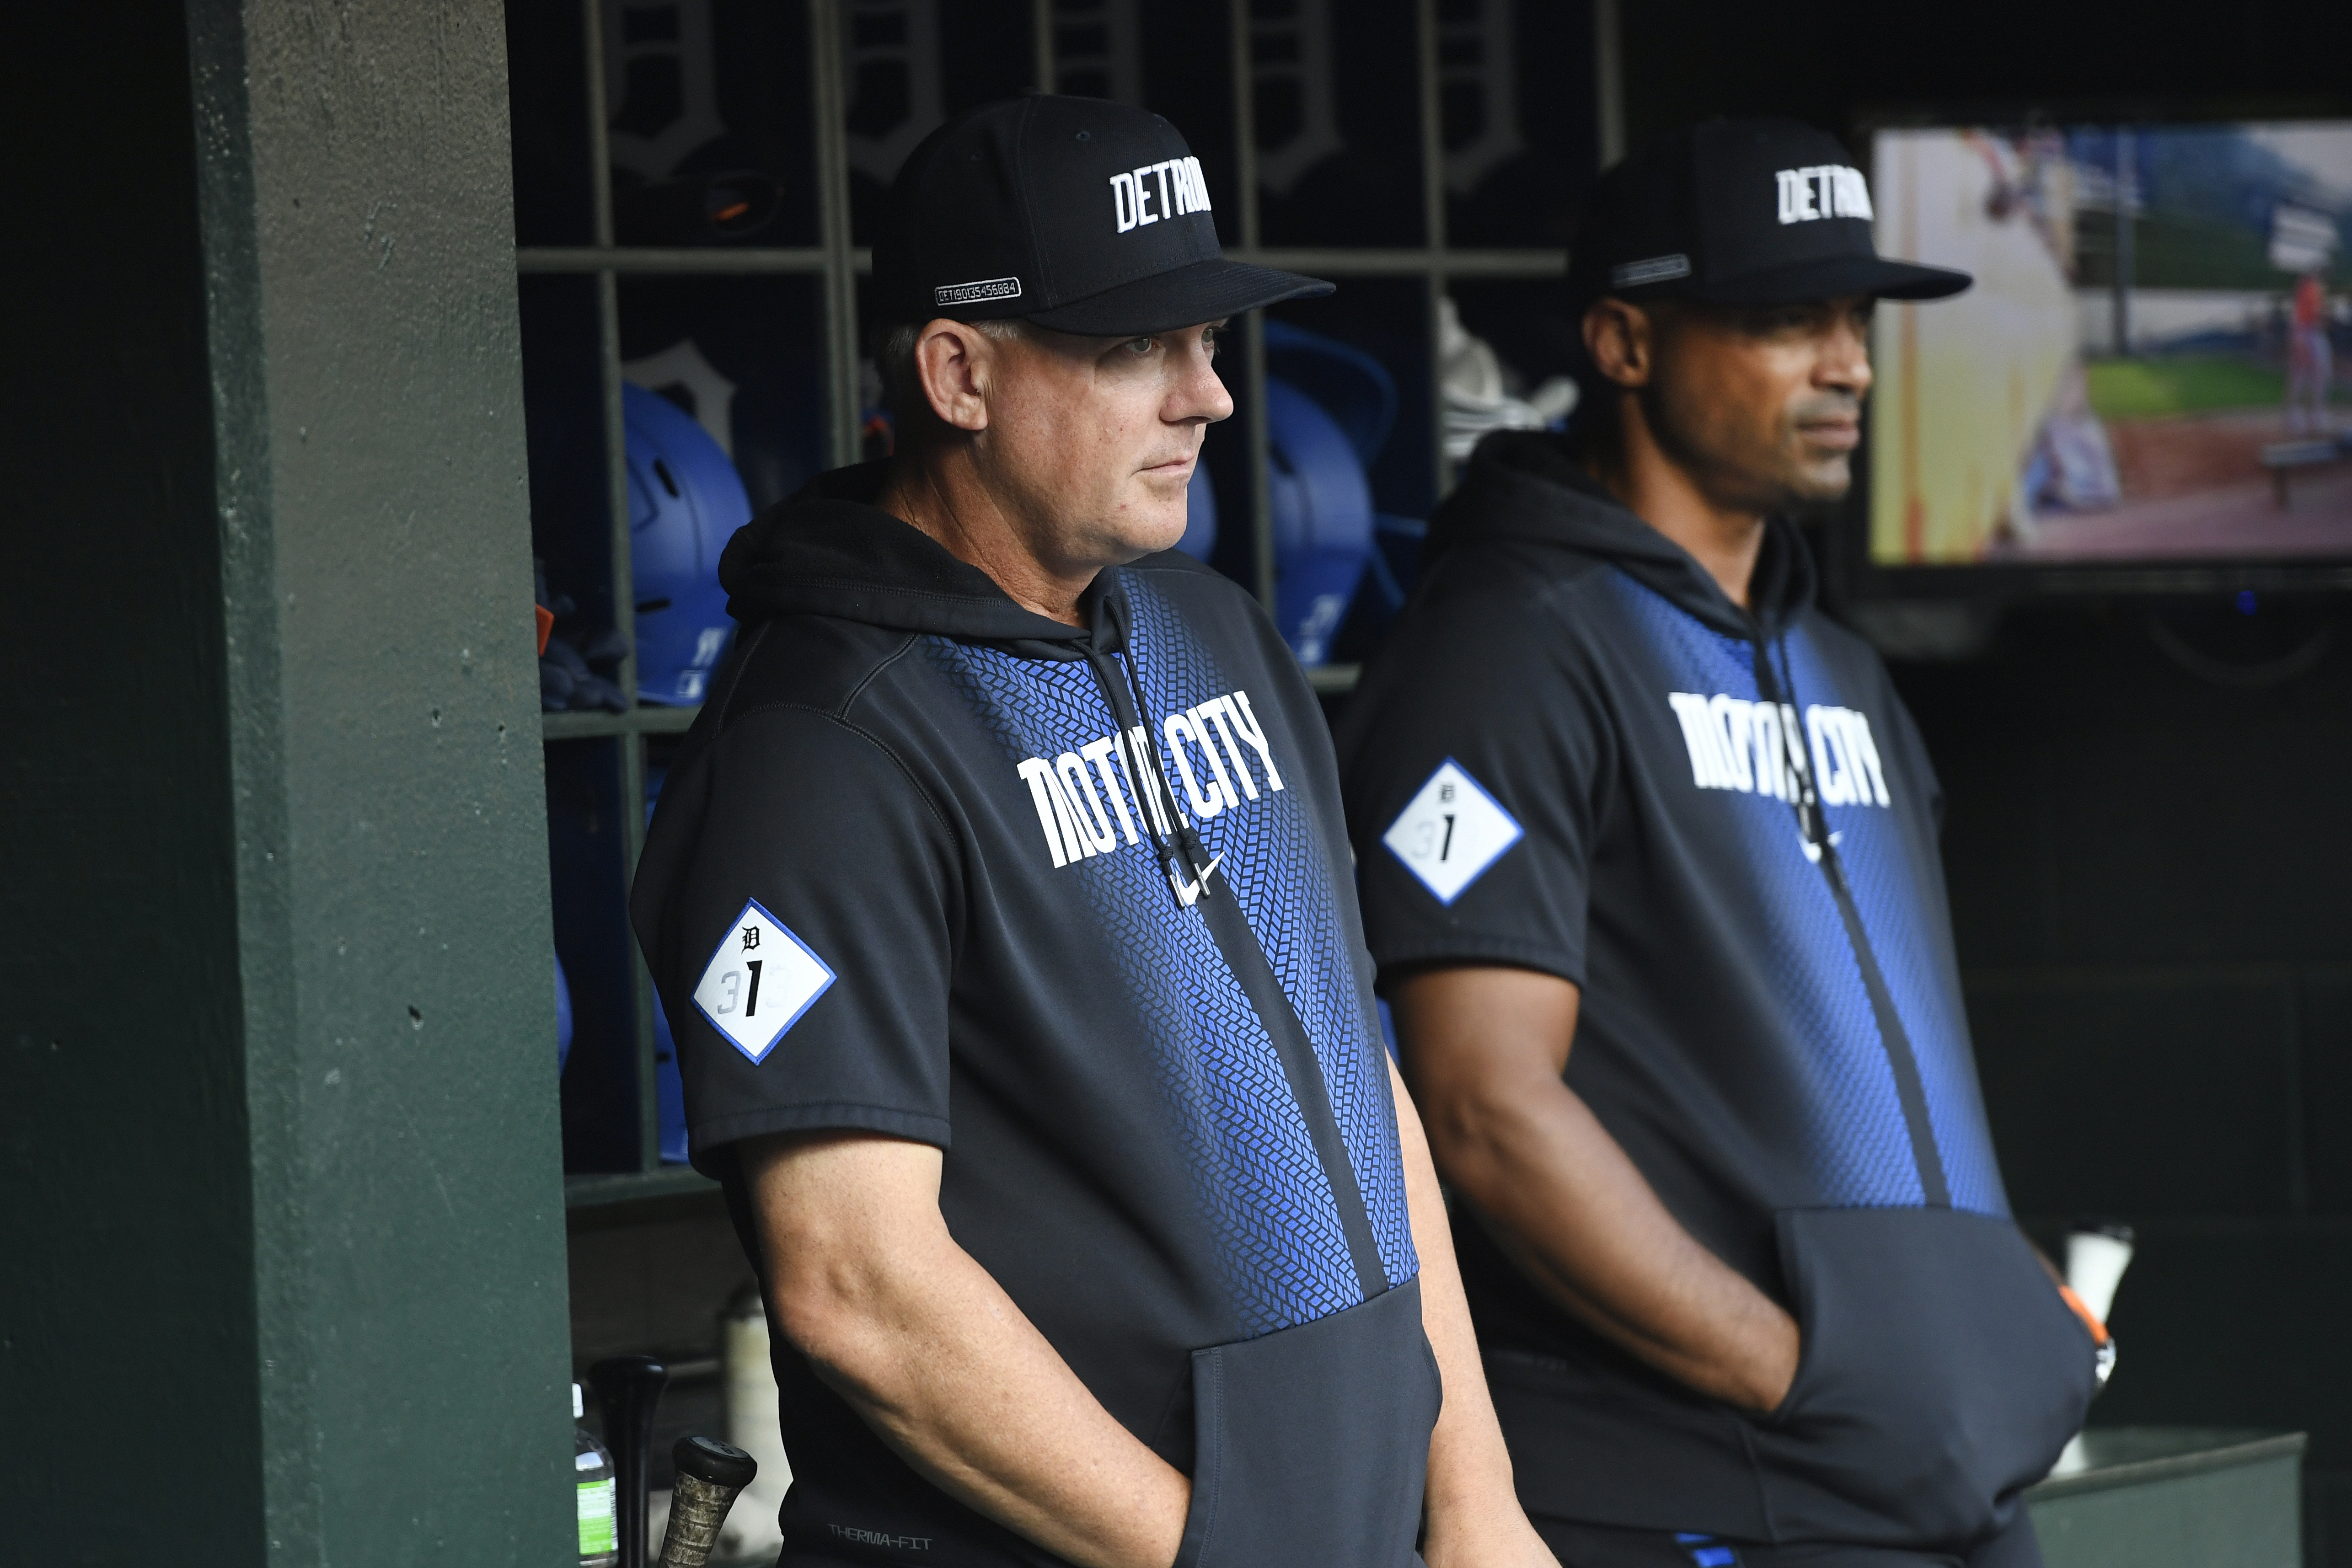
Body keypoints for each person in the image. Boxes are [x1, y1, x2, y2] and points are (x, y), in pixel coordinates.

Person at [631, 94, 1553, 1568]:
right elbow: (859, 1286)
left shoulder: (1216, 633)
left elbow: (1350, 1068)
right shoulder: (823, 743)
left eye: (1204, 343)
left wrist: (1475, 1500)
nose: (1209, 397)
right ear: (959, 373)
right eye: (1133, 349)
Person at [1336, 119, 2105, 1568]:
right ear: (1625, 343)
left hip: (1939, 1492)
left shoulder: (1840, 665)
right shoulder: (1508, 652)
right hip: (1704, 1489)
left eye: (1855, 320)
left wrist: (1988, 1323)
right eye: (1781, 321)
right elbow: (1483, 1110)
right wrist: (1805, 1376)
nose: (1849, 364)